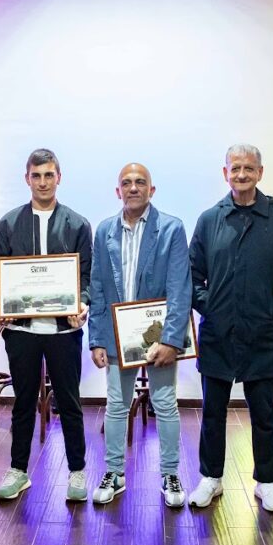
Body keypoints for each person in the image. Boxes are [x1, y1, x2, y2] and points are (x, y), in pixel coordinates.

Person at [187, 144, 273, 513]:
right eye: (235, 168)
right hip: (218, 334)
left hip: (262, 336)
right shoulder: (210, 220)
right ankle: (211, 478)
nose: (242, 175)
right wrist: (213, 308)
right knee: (212, 413)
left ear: (260, 172)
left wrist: (271, 312)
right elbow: (191, 277)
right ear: (225, 173)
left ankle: (266, 482)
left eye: (249, 168)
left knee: (265, 416)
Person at [88, 163, 192, 507]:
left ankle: (170, 474)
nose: (133, 188)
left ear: (151, 190)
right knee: (116, 405)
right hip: (118, 336)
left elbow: (180, 288)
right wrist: (96, 338)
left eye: (140, 182)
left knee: (165, 404)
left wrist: (172, 340)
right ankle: (114, 473)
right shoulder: (104, 231)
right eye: (127, 183)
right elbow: (98, 288)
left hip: (158, 336)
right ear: (118, 191)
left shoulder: (171, 229)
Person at [0, 149, 92, 502]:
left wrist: (82, 303)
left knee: (69, 402)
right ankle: (18, 470)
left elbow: (86, 276)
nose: (43, 182)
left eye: (49, 175)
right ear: (27, 179)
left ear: (59, 178)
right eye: (37, 175)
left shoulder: (78, 224)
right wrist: (2, 301)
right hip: (22, 331)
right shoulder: (8, 224)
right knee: (22, 402)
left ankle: (77, 471)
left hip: (64, 330)